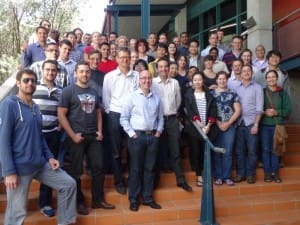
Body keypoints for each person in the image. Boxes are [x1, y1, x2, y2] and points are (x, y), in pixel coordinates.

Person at [0, 69, 77, 225]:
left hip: (40, 164)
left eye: (33, 81)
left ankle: (66, 222)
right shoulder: (9, 105)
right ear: (18, 83)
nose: (30, 83)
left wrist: (49, 157)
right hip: (20, 168)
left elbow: (40, 137)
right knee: (16, 214)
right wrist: (8, 172)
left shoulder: (35, 107)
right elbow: (3, 141)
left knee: (68, 184)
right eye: (26, 80)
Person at [58, 62, 115, 215]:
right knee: (76, 171)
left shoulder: (94, 91)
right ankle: (79, 202)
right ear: (75, 73)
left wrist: (100, 132)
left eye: (87, 72)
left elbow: (98, 113)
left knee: (98, 168)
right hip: (77, 136)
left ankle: (98, 200)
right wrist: (72, 135)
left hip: (93, 136)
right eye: (81, 71)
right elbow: (61, 114)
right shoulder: (68, 91)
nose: (84, 74)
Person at [120, 70, 164, 212]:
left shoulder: (156, 98)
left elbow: (160, 118)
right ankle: (133, 199)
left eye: (149, 78)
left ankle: (147, 198)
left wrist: (158, 131)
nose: (146, 81)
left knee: (150, 169)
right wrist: (132, 134)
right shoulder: (131, 97)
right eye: (143, 78)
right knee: (135, 169)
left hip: (152, 137)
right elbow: (124, 118)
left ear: (151, 80)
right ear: (139, 81)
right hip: (137, 137)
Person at [152, 58, 192, 192]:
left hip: (172, 119)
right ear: (157, 69)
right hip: (157, 120)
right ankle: (155, 181)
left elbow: (178, 100)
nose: (163, 69)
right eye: (161, 67)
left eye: (166, 67)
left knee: (175, 150)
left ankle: (180, 179)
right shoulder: (152, 83)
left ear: (168, 68)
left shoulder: (174, 82)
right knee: (156, 150)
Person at [102, 48, 139, 195]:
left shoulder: (136, 76)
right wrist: (110, 113)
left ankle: (132, 180)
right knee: (116, 151)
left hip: (132, 117)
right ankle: (119, 181)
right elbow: (106, 98)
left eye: (127, 57)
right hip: (115, 115)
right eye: (122, 57)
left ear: (130, 59)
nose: (125, 60)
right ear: (117, 59)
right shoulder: (110, 76)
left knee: (132, 149)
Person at [32, 60, 63, 217]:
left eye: (53, 70)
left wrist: (61, 126)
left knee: (49, 169)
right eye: (48, 70)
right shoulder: (33, 87)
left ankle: (45, 203)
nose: (51, 72)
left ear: (57, 72)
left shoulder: (60, 91)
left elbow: (63, 111)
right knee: (28, 167)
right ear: (42, 71)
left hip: (52, 134)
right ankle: (18, 204)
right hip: (34, 135)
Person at [233, 65, 264, 184]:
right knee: (239, 151)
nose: (246, 73)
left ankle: (251, 174)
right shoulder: (237, 88)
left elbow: (260, 108)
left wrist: (256, 124)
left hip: (251, 123)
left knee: (252, 151)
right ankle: (241, 174)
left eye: (248, 71)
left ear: (252, 73)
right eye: (244, 71)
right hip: (239, 123)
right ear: (241, 73)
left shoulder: (257, 88)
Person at [260, 70, 291, 183]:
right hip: (264, 126)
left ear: (277, 79)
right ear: (266, 79)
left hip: (277, 126)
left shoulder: (282, 93)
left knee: (276, 150)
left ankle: (275, 173)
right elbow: (257, 107)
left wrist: (277, 112)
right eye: (269, 77)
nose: (271, 79)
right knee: (265, 149)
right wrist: (264, 112)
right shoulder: (262, 92)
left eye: (273, 77)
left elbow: (288, 110)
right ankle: (267, 173)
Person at [211, 71, 241, 186]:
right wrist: (219, 123)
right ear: (216, 80)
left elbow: (238, 111)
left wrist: (228, 123)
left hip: (230, 126)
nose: (222, 81)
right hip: (215, 126)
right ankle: (218, 176)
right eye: (220, 79)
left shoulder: (233, 93)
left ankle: (227, 176)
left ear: (227, 80)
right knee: (217, 151)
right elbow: (210, 111)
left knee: (228, 152)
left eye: (224, 79)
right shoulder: (212, 94)